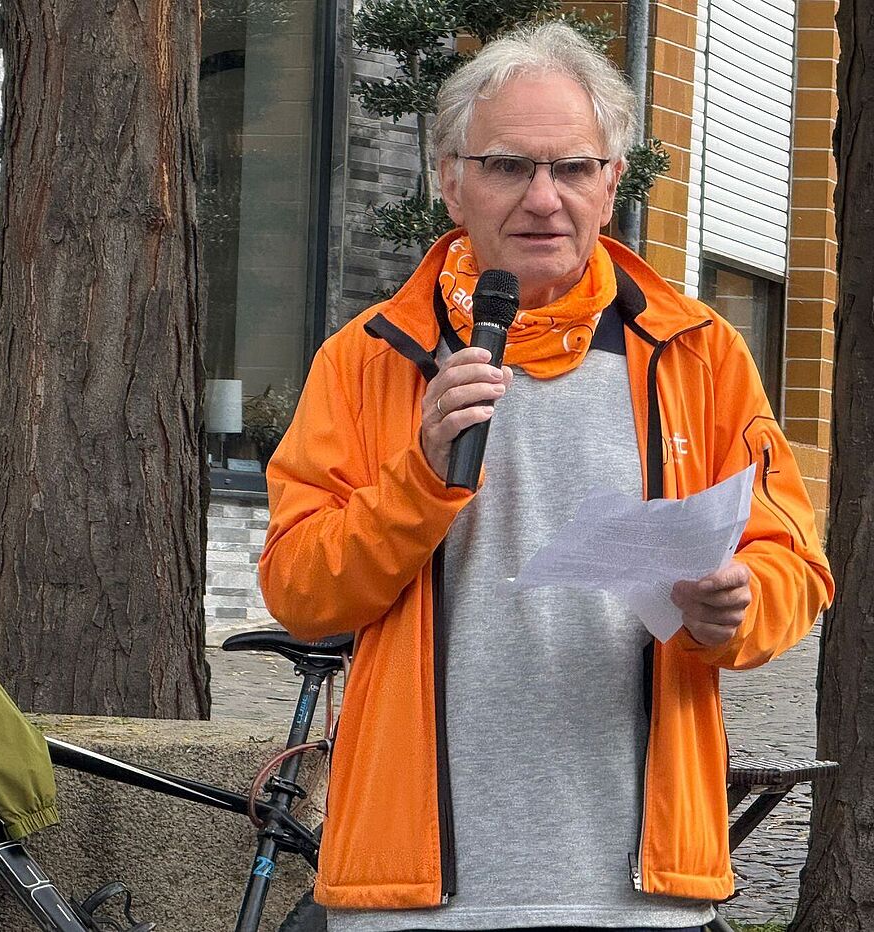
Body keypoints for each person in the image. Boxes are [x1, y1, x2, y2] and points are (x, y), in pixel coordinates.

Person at [259, 20, 834, 932]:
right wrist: (418, 478)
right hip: (417, 897)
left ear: (612, 184)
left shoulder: (700, 355)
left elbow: (792, 564)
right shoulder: (367, 362)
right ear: (450, 180)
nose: (543, 199)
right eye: (506, 167)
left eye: (572, 168)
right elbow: (301, 590)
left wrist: (738, 605)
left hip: (641, 895)